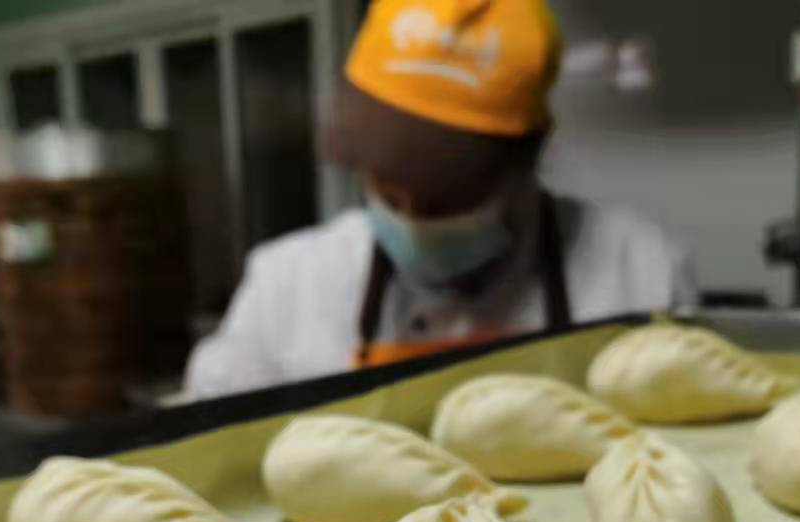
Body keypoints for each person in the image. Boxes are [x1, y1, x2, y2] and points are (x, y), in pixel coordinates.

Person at [184, 0, 695, 399]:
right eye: (386, 187)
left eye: (444, 198)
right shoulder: (288, 286)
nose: (410, 217)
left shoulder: (638, 272)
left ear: (524, 165)